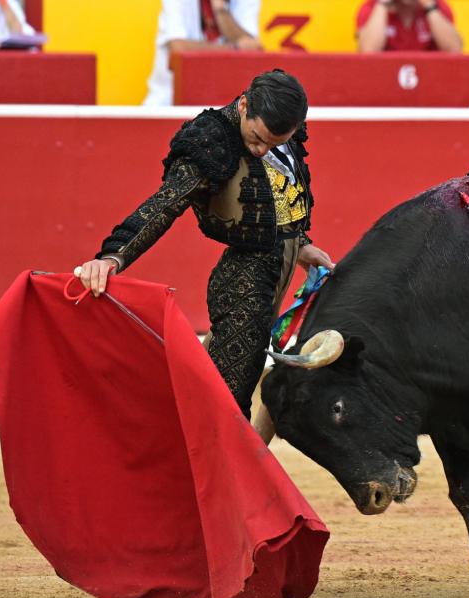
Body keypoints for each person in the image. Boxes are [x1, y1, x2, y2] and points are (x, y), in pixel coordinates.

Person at [76, 70, 335, 423]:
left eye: (273, 144)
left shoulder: (277, 127)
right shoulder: (212, 140)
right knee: (230, 396)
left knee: (215, 381)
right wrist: (112, 256)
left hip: (276, 270)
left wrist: (299, 244)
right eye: (257, 138)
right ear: (244, 106)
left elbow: (276, 195)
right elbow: (165, 204)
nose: (262, 150)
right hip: (245, 279)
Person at [144, 0, 262, 106]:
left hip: (226, 105)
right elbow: (179, 48)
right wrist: (235, 49)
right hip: (169, 104)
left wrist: (220, 10)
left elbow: (253, 50)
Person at [356, 0, 463, 53]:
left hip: (430, 83)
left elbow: (454, 50)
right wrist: (382, 3)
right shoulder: (371, 8)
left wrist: (430, 7)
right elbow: (368, 51)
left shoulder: (438, 7)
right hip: (384, 83)